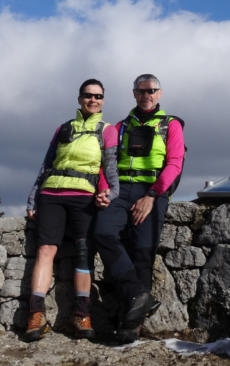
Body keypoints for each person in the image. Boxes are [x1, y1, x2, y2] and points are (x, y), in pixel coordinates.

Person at [24, 79, 119, 341]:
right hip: (52, 193)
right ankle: (36, 315)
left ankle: (81, 314)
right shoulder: (63, 128)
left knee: (83, 253)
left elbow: (111, 168)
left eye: (98, 96)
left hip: (85, 197)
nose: (93, 100)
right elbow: (46, 164)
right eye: (88, 95)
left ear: (102, 101)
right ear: (79, 99)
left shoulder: (107, 130)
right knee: (45, 249)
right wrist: (33, 196)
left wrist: (111, 193)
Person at [93, 74, 185, 343]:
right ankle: (138, 295)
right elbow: (105, 162)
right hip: (119, 190)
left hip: (152, 191)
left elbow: (174, 163)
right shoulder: (120, 126)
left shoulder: (171, 125)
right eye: (141, 91)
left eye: (151, 91)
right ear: (134, 94)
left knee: (143, 254)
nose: (146, 95)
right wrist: (103, 189)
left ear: (159, 93)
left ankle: (130, 323)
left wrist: (153, 196)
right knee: (102, 233)